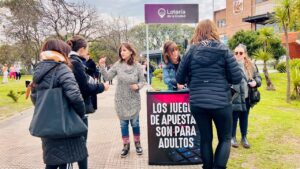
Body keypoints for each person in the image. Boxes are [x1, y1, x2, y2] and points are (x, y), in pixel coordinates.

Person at [176, 19, 242, 169]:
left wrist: (192, 78)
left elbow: (179, 78)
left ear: (198, 32)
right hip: (221, 103)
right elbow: (237, 78)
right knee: (225, 138)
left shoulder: (190, 51)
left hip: (198, 103)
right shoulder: (224, 50)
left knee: (205, 139)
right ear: (214, 31)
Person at [30, 39, 88, 169]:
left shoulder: (38, 70)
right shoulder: (62, 69)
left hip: (47, 125)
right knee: (70, 160)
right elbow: (75, 96)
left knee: (52, 161)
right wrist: (80, 114)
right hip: (66, 126)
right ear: (61, 52)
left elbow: (35, 97)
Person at [67, 35, 109, 169]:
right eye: (86, 50)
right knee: (80, 145)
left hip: (72, 109)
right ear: (82, 49)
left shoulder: (69, 60)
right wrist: (102, 87)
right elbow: (84, 88)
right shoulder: (76, 62)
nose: (87, 53)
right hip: (78, 111)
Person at [99, 42, 145, 158]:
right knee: (123, 124)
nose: (122, 52)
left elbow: (142, 81)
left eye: (124, 50)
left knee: (135, 123)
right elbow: (108, 77)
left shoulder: (137, 66)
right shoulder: (117, 65)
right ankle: (126, 145)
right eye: (121, 50)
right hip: (121, 99)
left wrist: (138, 86)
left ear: (130, 51)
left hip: (134, 99)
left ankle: (137, 143)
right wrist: (102, 66)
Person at [231, 44, 262, 149]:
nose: (238, 55)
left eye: (241, 53)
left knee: (244, 118)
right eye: (236, 53)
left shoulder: (251, 65)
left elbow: (258, 78)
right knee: (233, 118)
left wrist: (255, 82)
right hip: (234, 97)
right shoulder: (230, 64)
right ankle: (233, 137)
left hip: (246, 97)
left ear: (245, 54)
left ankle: (244, 138)